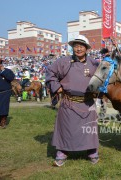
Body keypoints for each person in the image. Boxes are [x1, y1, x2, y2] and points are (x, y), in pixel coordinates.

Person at [45, 35, 99, 166]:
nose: (78, 48)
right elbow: (50, 72)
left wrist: (99, 89)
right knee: (66, 129)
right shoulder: (63, 61)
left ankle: (92, 152)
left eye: (81, 46)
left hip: (88, 103)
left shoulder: (94, 63)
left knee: (89, 129)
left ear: (86, 49)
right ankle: (62, 153)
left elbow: (103, 77)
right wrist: (56, 86)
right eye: (76, 46)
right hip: (68, 103)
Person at [0, 59, 15, 129]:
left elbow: (11, 78)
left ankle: (3, 121)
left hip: (4, 92)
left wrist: (3, 70)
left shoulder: (7, 71)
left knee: (3, 108)